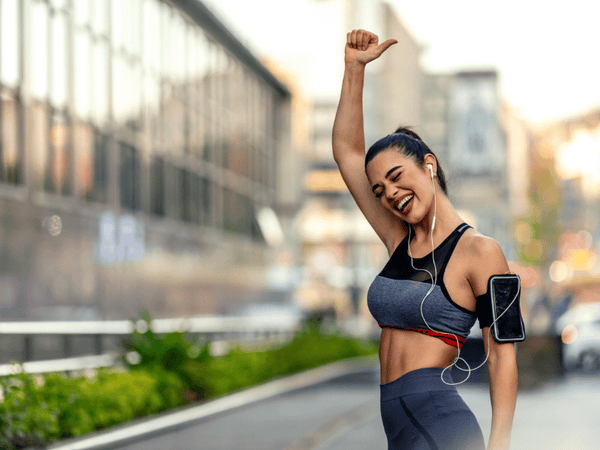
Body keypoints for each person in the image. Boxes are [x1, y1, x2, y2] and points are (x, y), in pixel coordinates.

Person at [332, 29, 518, 450]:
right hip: (399, 427)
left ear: (428, 165)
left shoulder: (481, 251)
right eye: (379, 190)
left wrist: (500, 443)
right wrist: (354, 69)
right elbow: (346, 150)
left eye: (397, 177)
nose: (390, 194)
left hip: (442, 426)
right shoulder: (397, 237)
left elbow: (503, 353)